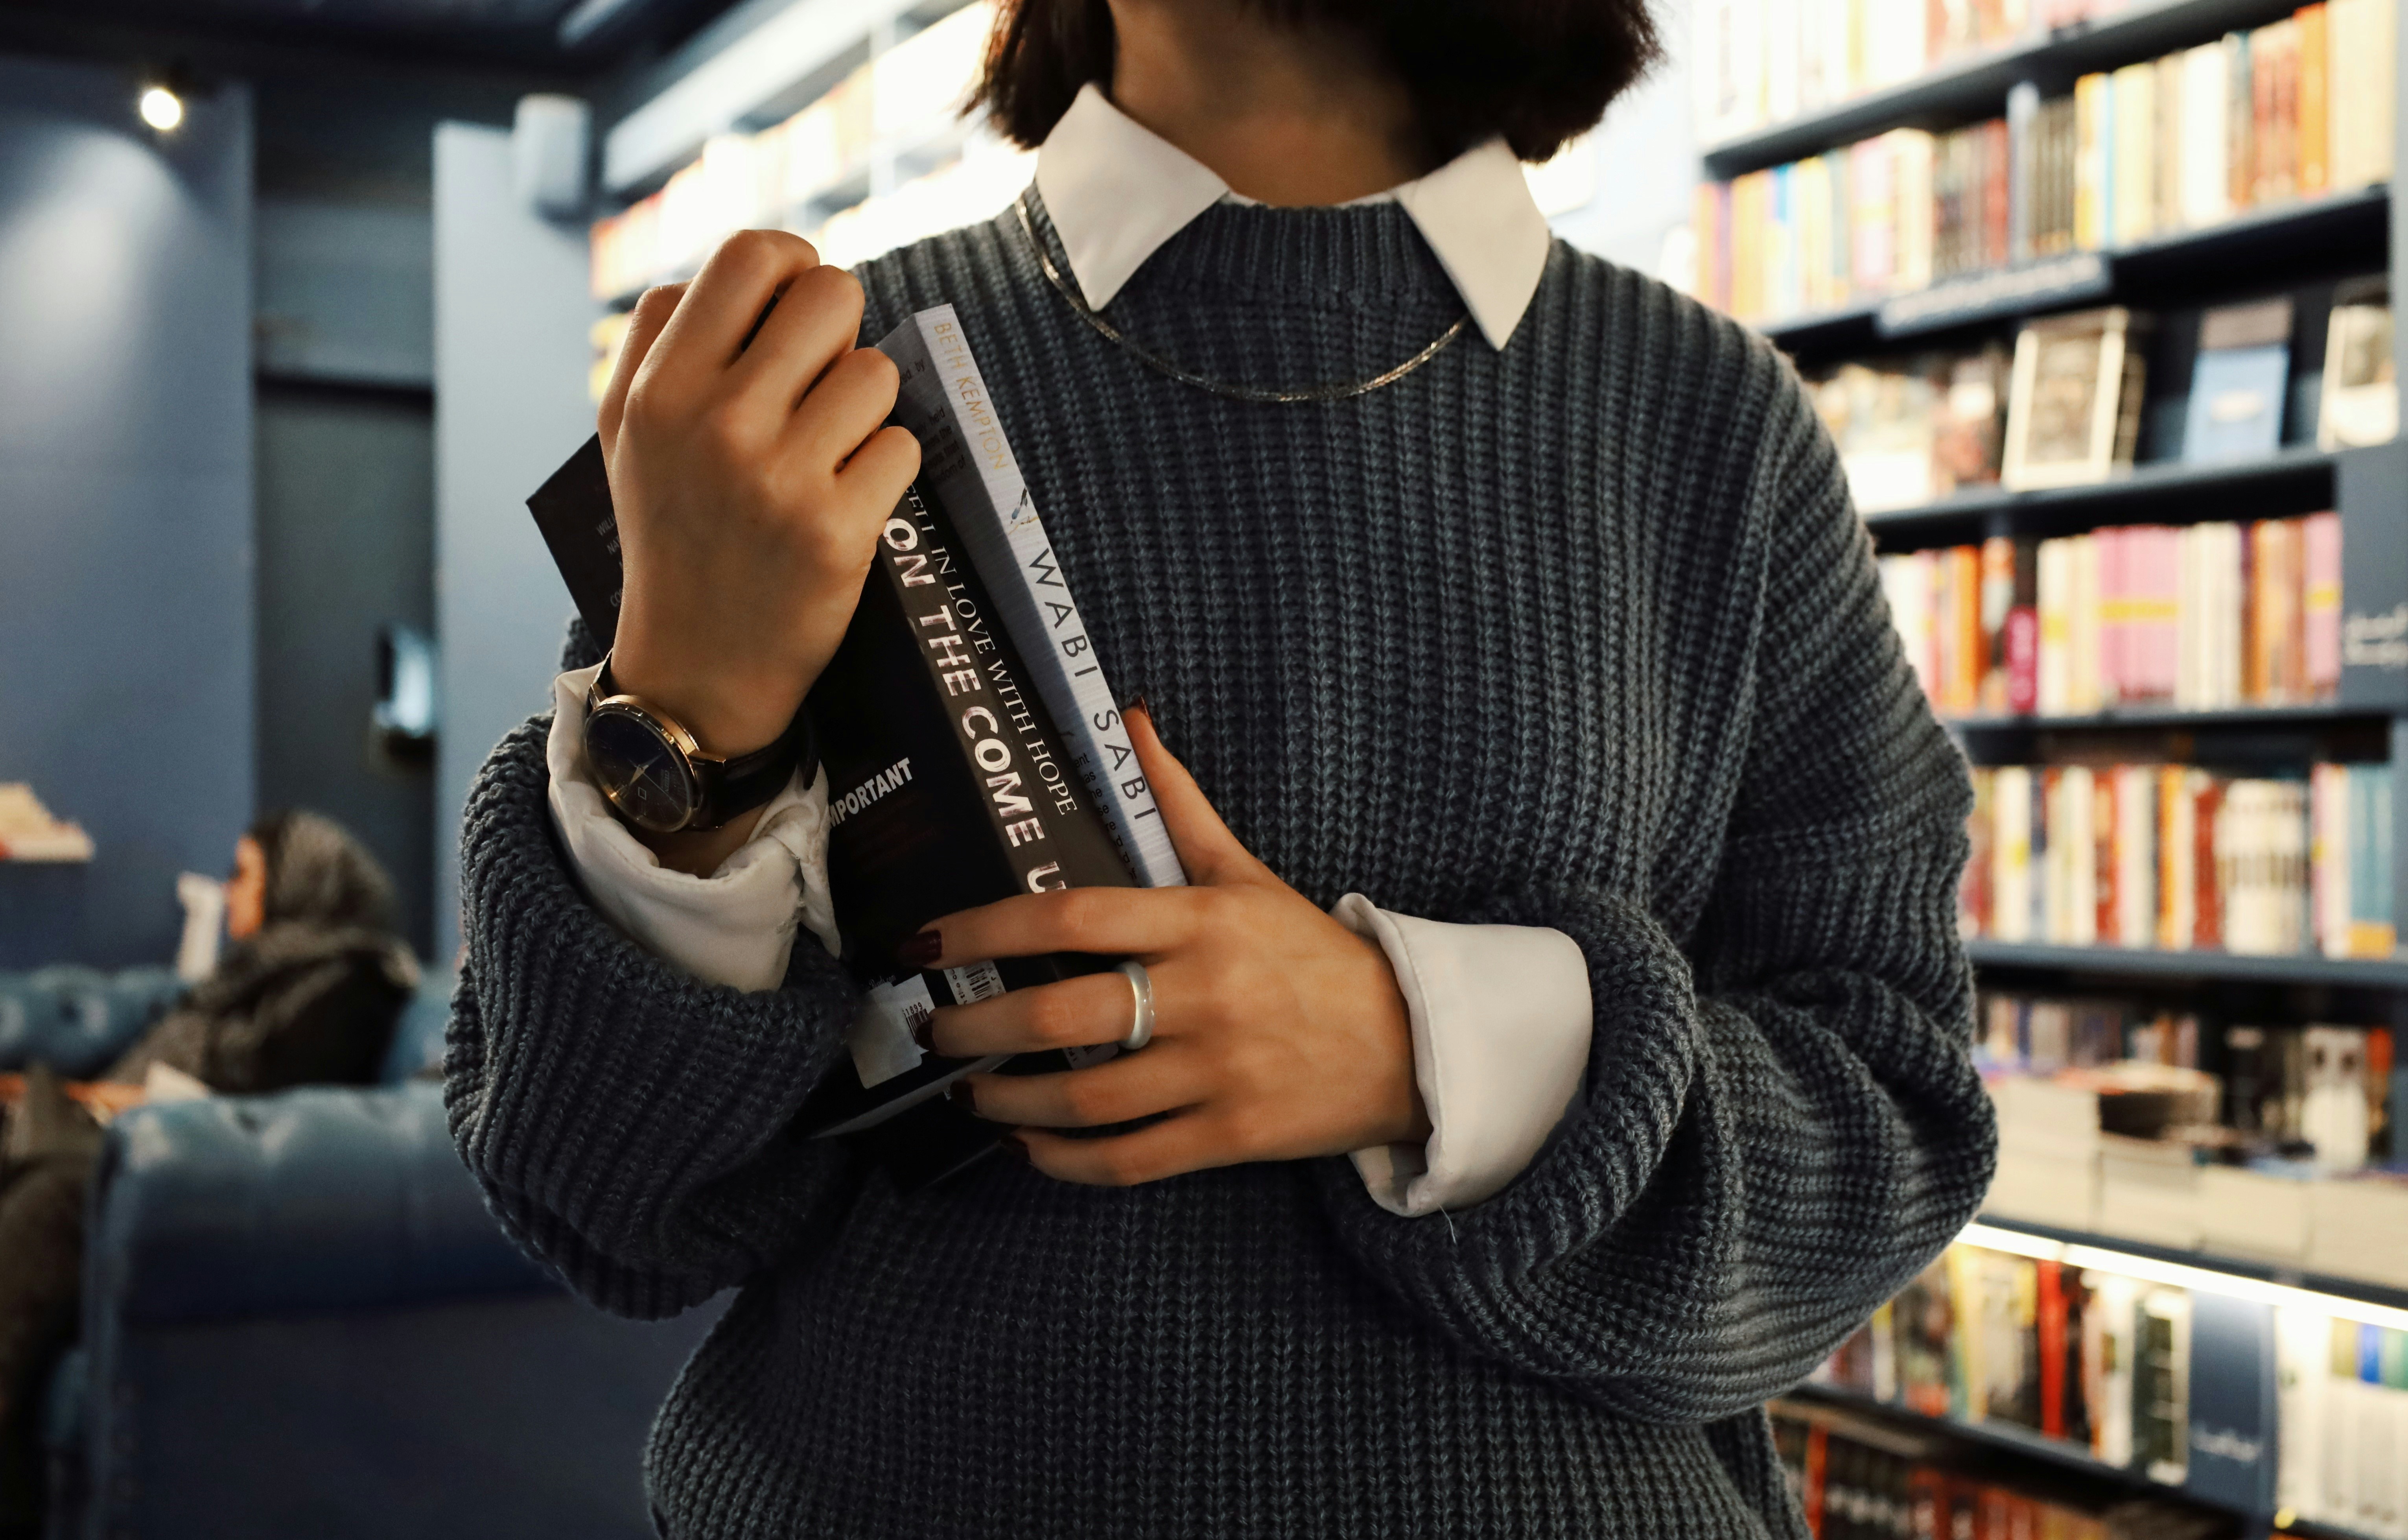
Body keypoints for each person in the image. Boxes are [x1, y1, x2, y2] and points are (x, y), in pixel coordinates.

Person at [446, 0, 1999, 1533]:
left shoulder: (1711, 428)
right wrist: (694, 710)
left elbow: (1891, 1115)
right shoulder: (804, 413)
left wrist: (1415, 1050)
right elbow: (604, 1203)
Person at [0, 811, 415, 1534]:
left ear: (298, 882)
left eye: (244, 874)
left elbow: (268, 1107)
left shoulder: (349, 983)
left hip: (192, 1172)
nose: (228, 895)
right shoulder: (248, 972)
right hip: (134, 1142)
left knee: (51, 1197)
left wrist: (92, 1105)